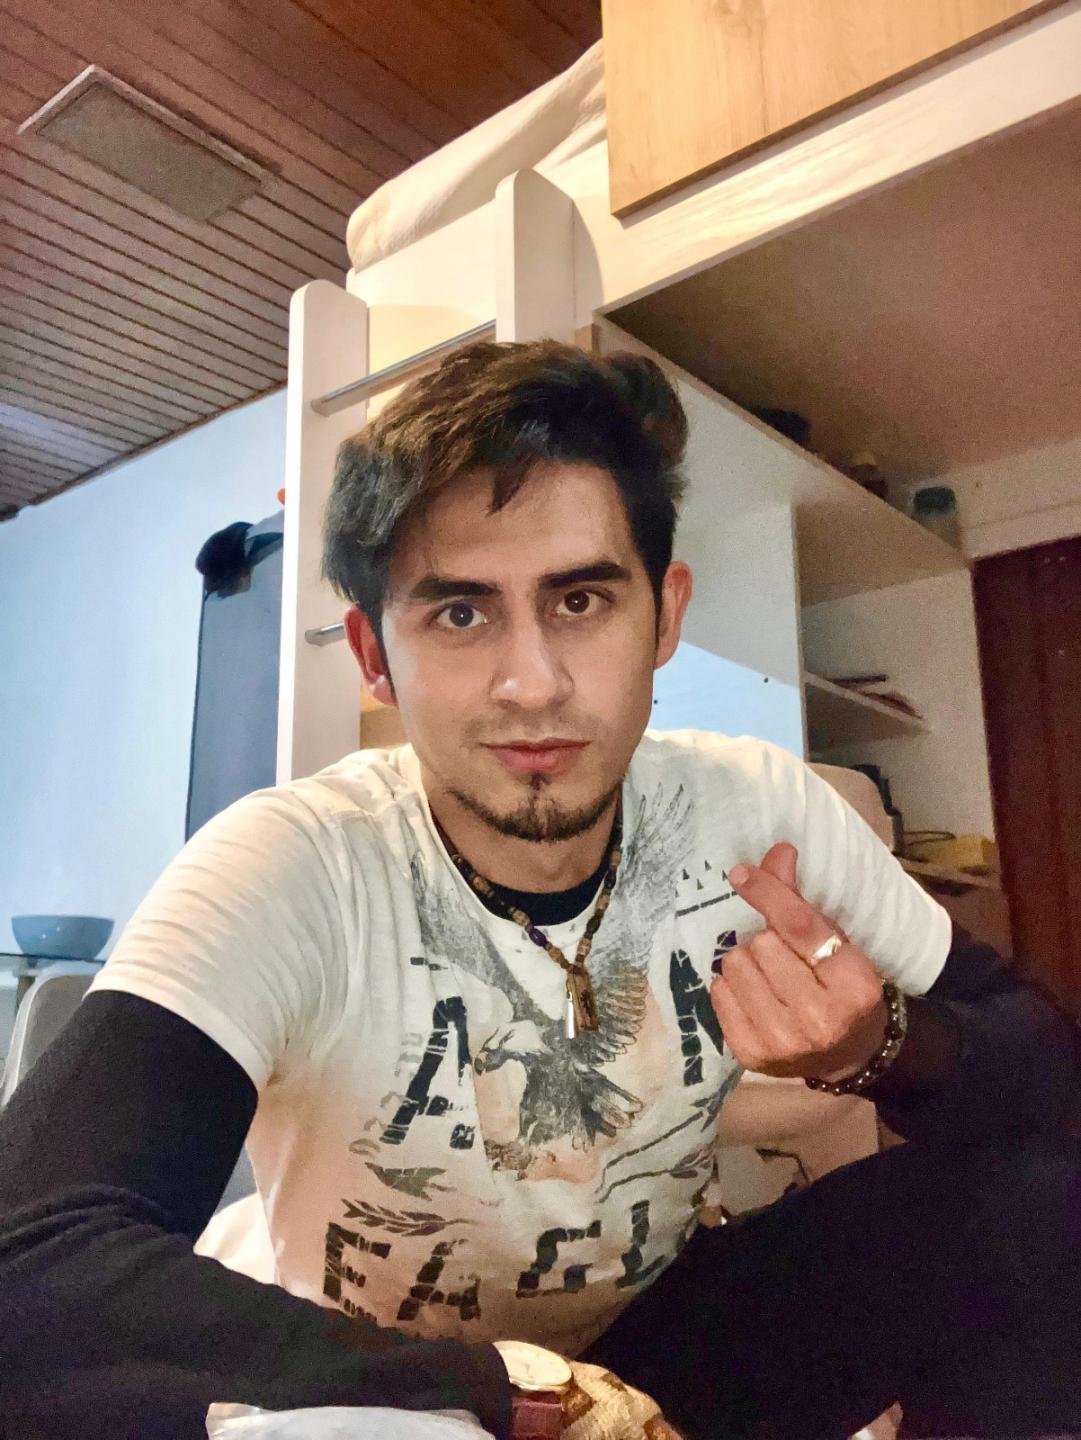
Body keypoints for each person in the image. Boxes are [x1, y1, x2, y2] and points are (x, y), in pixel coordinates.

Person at [1, 341, 1078, 1440]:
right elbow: (28, 1266)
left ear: (663, 615)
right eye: (461, 614)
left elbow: (1045, 1073)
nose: (532, 683)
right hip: (391, 1391)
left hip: (658, 1345)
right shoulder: (294, 863)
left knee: (1044, 1210)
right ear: (373, 655)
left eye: (579, 599)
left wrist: (876, 1044)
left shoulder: (760, 817)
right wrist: (503, 1396)